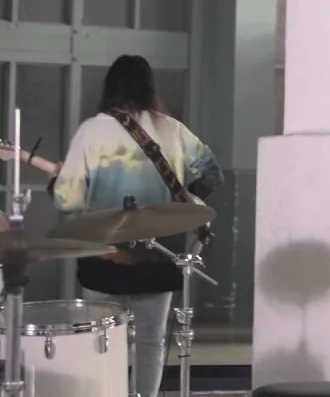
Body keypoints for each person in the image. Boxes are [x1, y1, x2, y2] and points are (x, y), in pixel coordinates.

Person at [48, 55, 223, 397]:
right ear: (149, 87)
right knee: (151, 341)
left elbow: (67, 200)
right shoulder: (172, 129)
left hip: (104, 254)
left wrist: (58, 184)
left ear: (110, 87)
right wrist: (184, 198)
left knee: (99, 339)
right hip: (157, 253)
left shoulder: (92, 130)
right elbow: (212, 176)